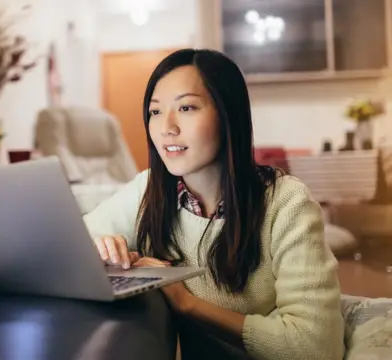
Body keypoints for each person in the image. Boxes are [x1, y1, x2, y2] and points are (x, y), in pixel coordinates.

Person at [83, 49, 344, 360]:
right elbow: (66, 247)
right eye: (155, 112)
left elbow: (315, 348)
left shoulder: (286, 203)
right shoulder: (148, 191)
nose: (167, 127)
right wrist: (102, 252)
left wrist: (186, 301)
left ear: (227, 113)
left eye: (187, 107)